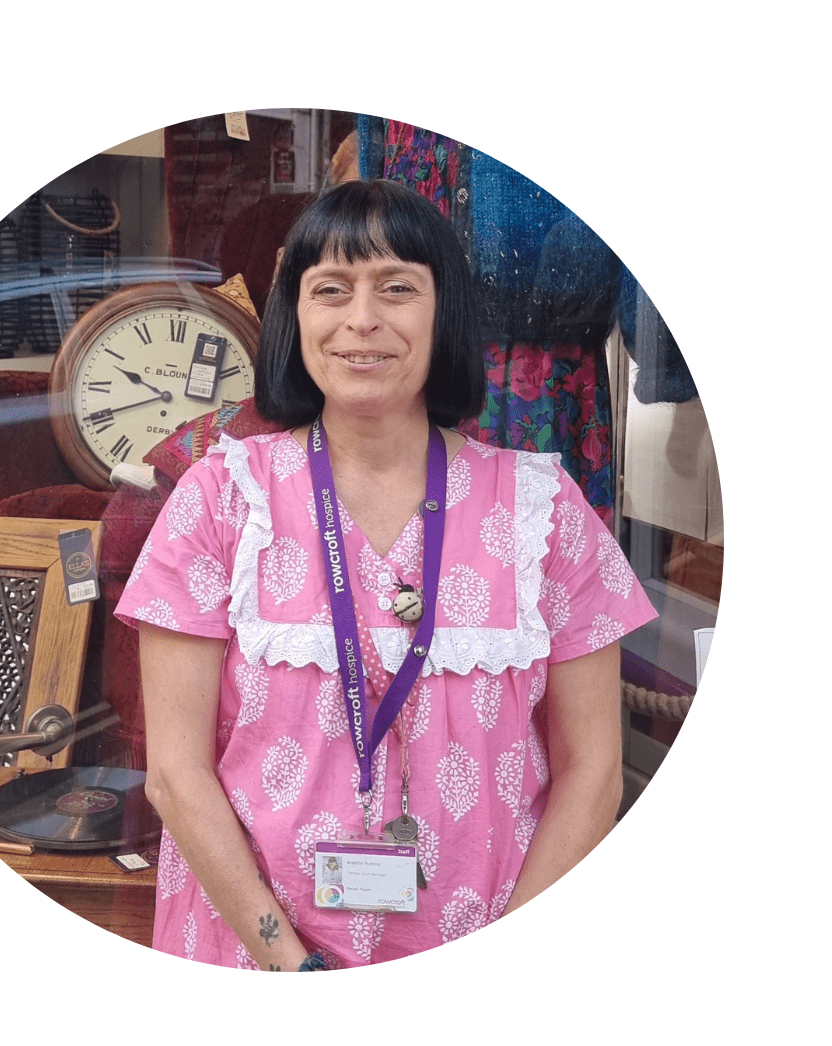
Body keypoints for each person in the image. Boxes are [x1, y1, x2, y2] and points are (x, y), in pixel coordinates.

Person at [115, 179, 658, 971]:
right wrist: (291, 965)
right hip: (253, 955)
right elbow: (174, 773)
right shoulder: (221, 501)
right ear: (294, 315)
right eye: (330, 289)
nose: (361, 320)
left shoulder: (545, 509)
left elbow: (595, 773)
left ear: (446, 313)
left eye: (397, 288)